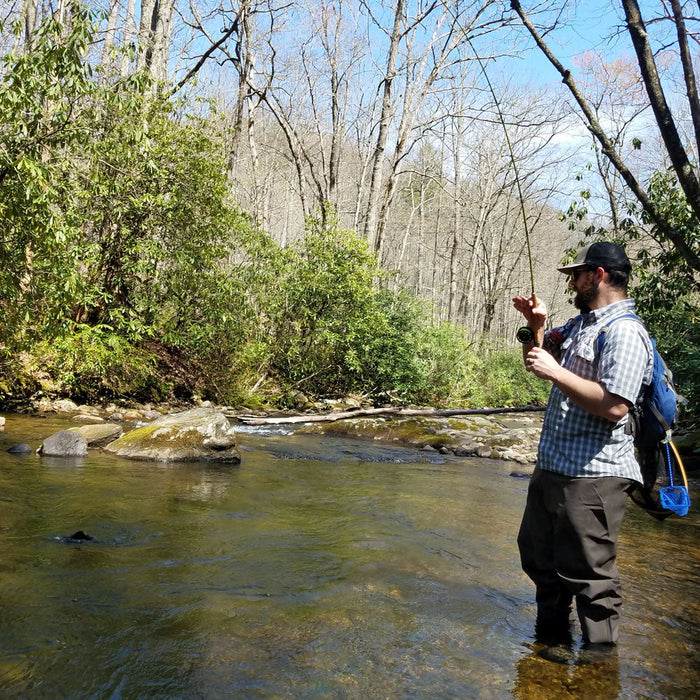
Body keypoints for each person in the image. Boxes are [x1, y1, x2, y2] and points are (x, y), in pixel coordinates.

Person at [512, 241, 654, 660]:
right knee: (540, 559)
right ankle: (550, 643)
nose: (573, 282)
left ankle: (598, 661)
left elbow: (614, 405)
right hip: (554, 467)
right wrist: (535, 326)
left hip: (595, 474)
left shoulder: (625, 332)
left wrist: (557, 371)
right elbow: (538, 363)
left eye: (578, 274)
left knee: (590, 574)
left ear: (600, 275)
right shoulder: (581, 325)